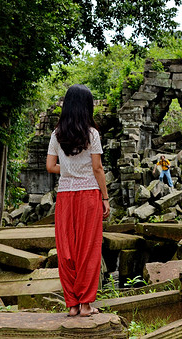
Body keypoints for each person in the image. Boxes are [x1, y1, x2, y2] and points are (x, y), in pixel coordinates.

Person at [46, 84, 110, 317]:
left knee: (67, 249)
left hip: (65, 196)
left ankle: (72, 304)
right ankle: (86, 305)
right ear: (86, 106)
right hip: (89, 195)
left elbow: (50, 166)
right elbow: (97, 168)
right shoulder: (92, 134)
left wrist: (70, 169)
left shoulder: (57, 134)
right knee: (88, 248)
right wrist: (105, 197)